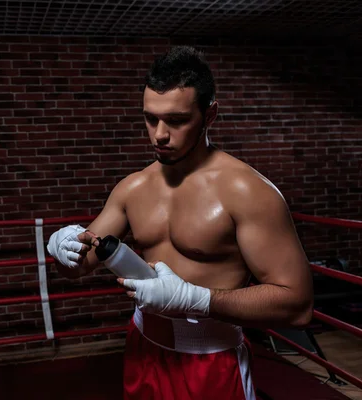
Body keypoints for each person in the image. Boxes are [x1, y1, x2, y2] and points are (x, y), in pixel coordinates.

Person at [46, 46, 314, 400]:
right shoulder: (133, 188)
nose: (158, 134)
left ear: (210, 114)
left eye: (175, 120)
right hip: (143, 349)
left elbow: (297, 306)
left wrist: (193, 299)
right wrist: (61, 248)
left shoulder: (247, 192)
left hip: (209, 362)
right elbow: (78, 268)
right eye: (150, 118)